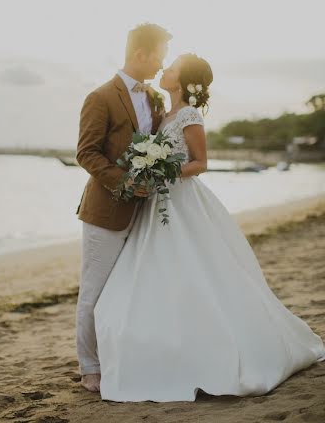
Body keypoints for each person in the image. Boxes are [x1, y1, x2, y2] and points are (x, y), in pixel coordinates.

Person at [93, 53, 325, 402]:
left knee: (195, 270)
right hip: (157, 202)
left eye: (172, 68)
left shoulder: (188, 114)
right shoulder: (163, 113)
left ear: (184, 82)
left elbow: (201, 163)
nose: (166, 70)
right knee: (152, 273)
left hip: (182, 201)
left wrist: (161, 172)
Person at [75, 22, 172, 392]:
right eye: (159, 55)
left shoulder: (153, 98)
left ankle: (120, 356)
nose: (162, 64)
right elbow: (86, 152)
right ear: (140, 54)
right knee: (94, 292)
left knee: (129, 290)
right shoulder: (100, 97)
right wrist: (125, 181)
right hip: (105, 211)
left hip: (144, 213)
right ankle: (89, 367)